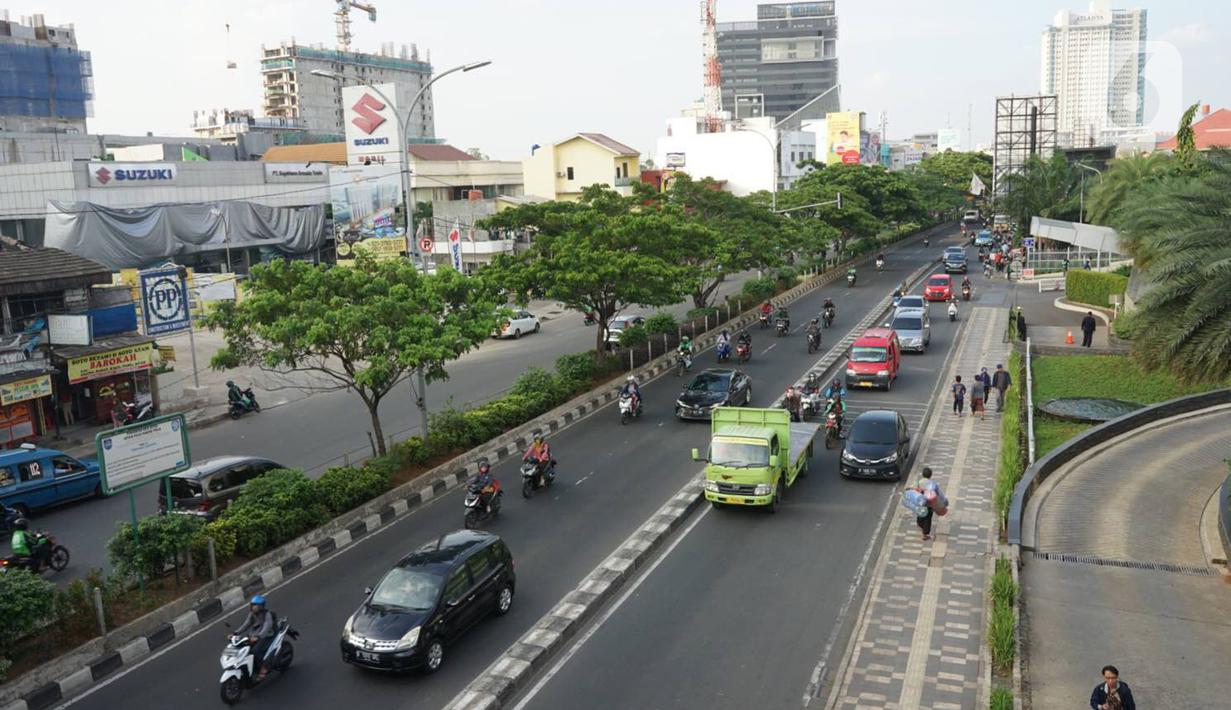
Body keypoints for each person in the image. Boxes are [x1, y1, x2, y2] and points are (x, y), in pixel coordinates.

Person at [234, 595, 276, 681]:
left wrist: (258, 636)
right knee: (242, 648)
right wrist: (236, 632)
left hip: (266, 636)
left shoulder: (267, 615)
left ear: (260, 606)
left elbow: (267, 627)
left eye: (255, 605)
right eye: (252, 605)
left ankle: (263, 668)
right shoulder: (252, 614)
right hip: (254, 636)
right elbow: (246, 624)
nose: (252, 607)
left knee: (255, 651)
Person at [914, 467, 944, 541]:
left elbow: (914, 491)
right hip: (929, 504)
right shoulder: (933, 484)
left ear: (923, 474)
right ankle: (925, 534)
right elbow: (939, 494)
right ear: (930, 475)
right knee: (927, 519)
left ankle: (919, 523)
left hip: (920, 503)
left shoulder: (918, 482)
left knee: (920, 514)